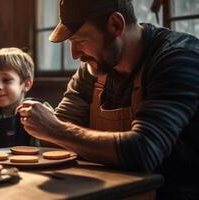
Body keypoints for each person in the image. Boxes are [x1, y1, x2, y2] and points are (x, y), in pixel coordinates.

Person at [17, 0, 199, 199]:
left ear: (115, 25)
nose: (75, 54)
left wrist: (55, 129)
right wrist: (49, 128)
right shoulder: (94, 69)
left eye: (80, 40)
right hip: (112, 189)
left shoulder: (177, 58)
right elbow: (55, 140)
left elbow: (144, 150)